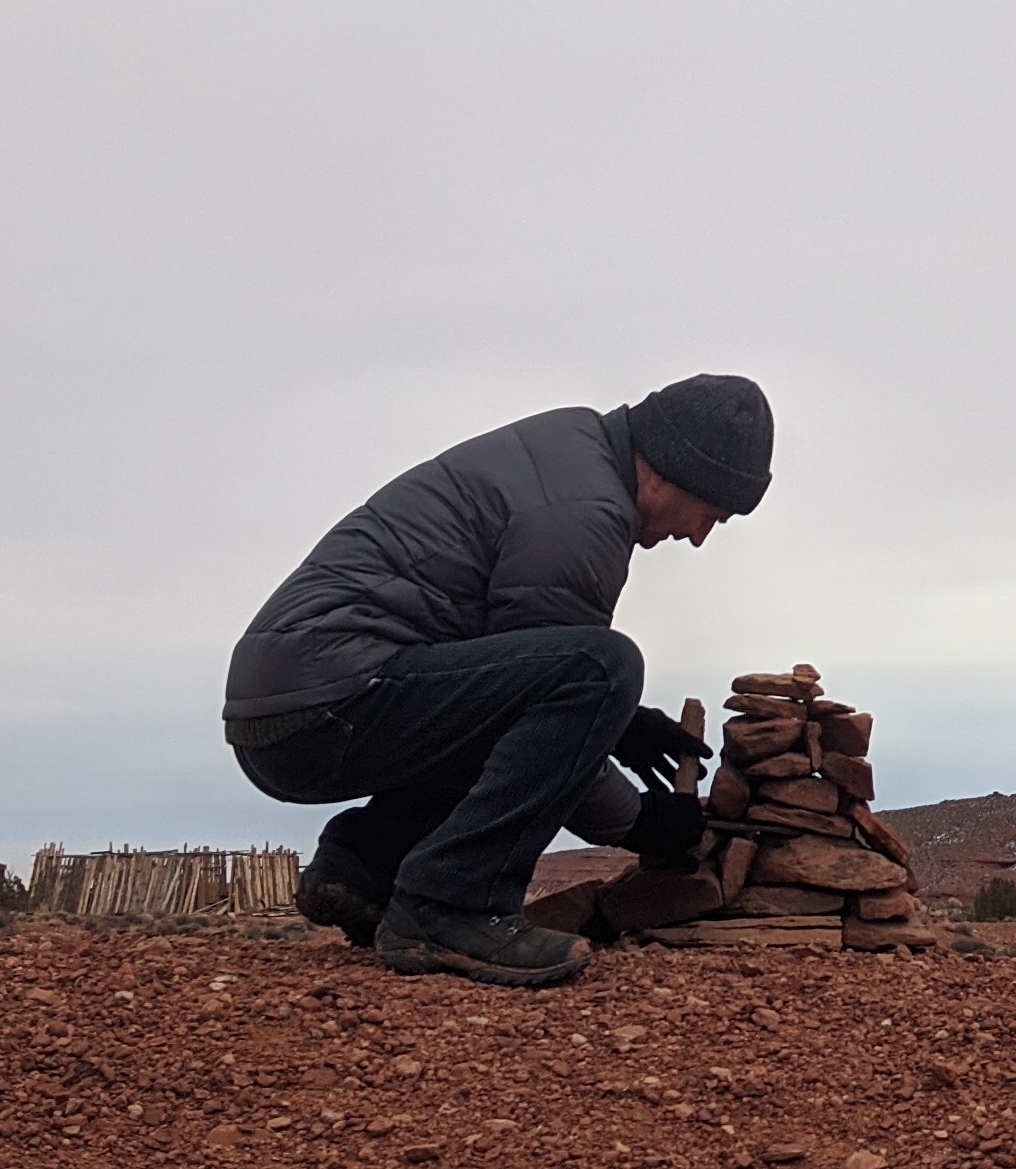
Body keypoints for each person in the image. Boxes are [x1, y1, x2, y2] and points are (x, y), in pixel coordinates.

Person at [222, 375, 772, 986]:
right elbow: (551, 692)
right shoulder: (586, 512)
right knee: (606, 664)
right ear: (670, 470)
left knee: (577, 684)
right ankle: (453, 904)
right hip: (329, 704)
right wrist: (638, 822)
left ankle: (363, 869)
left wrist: (620, 725)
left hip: (293, 706)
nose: (696, 537)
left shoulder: (573, 450)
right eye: (710, 516)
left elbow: (504, 677)